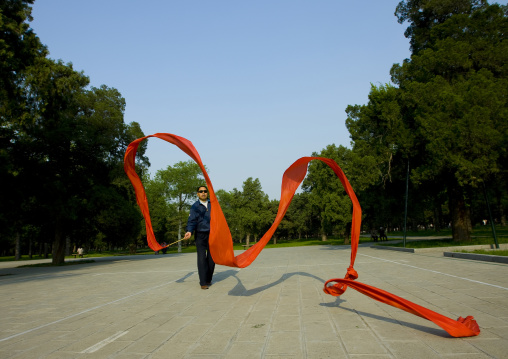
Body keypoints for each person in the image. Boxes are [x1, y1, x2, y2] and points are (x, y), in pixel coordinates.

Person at [184, 186, 215, 289]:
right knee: (202, 258)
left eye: (205, 191)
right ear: (197, 194)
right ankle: (203, 282)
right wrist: (189, 231)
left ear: (207, 193)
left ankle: (208, 279)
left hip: (212, 234)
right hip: (200, 235)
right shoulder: (195, 206)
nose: (203, 193)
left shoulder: (213, 204)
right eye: (201, 191)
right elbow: (191, 220)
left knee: (212, 258)